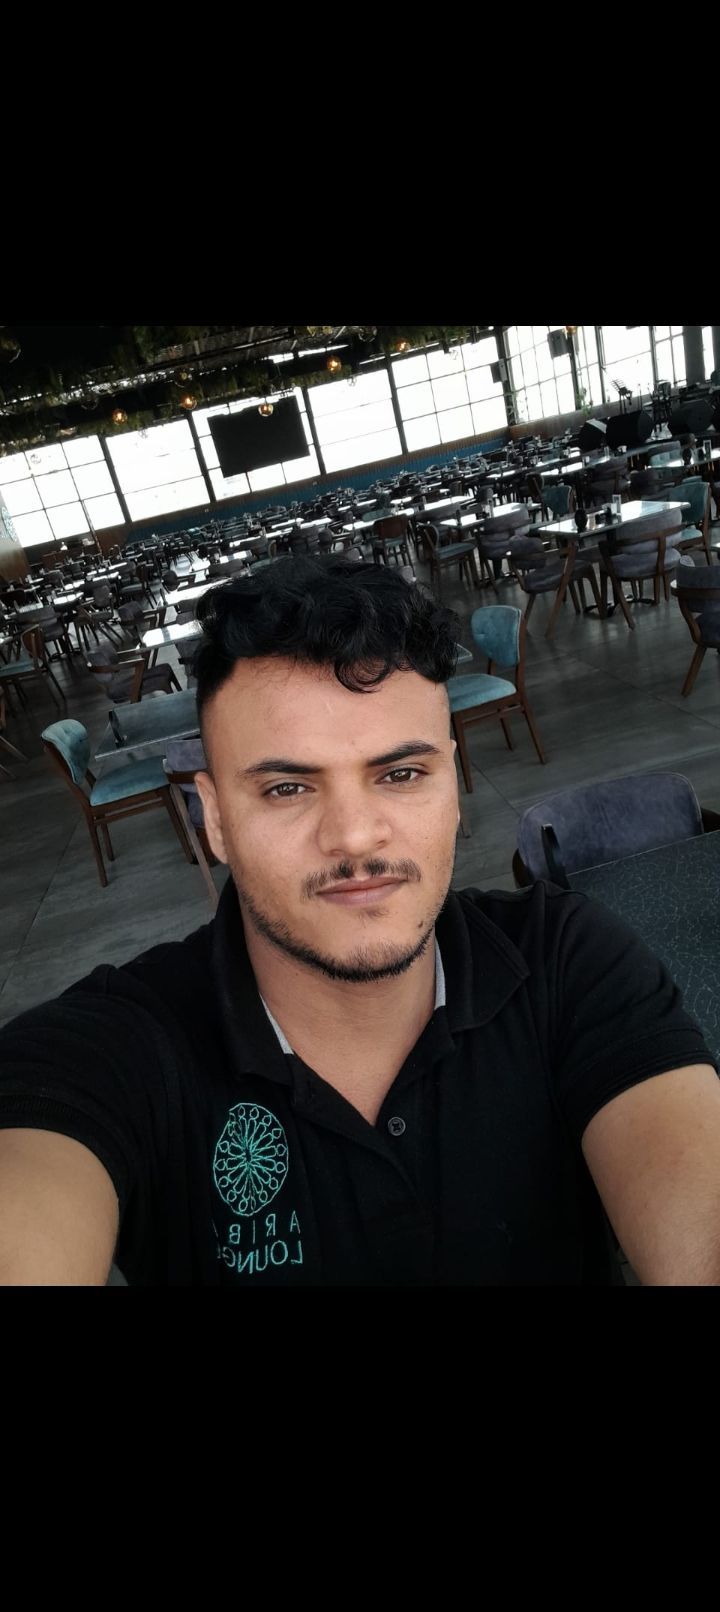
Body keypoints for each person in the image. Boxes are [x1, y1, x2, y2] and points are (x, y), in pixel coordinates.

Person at [1, 555, 719, 1287]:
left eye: (401, 774)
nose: (353, 836)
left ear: (453, 782)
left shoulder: (567, 959)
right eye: (287, 788)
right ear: (214, 819)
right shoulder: (113, 1052)